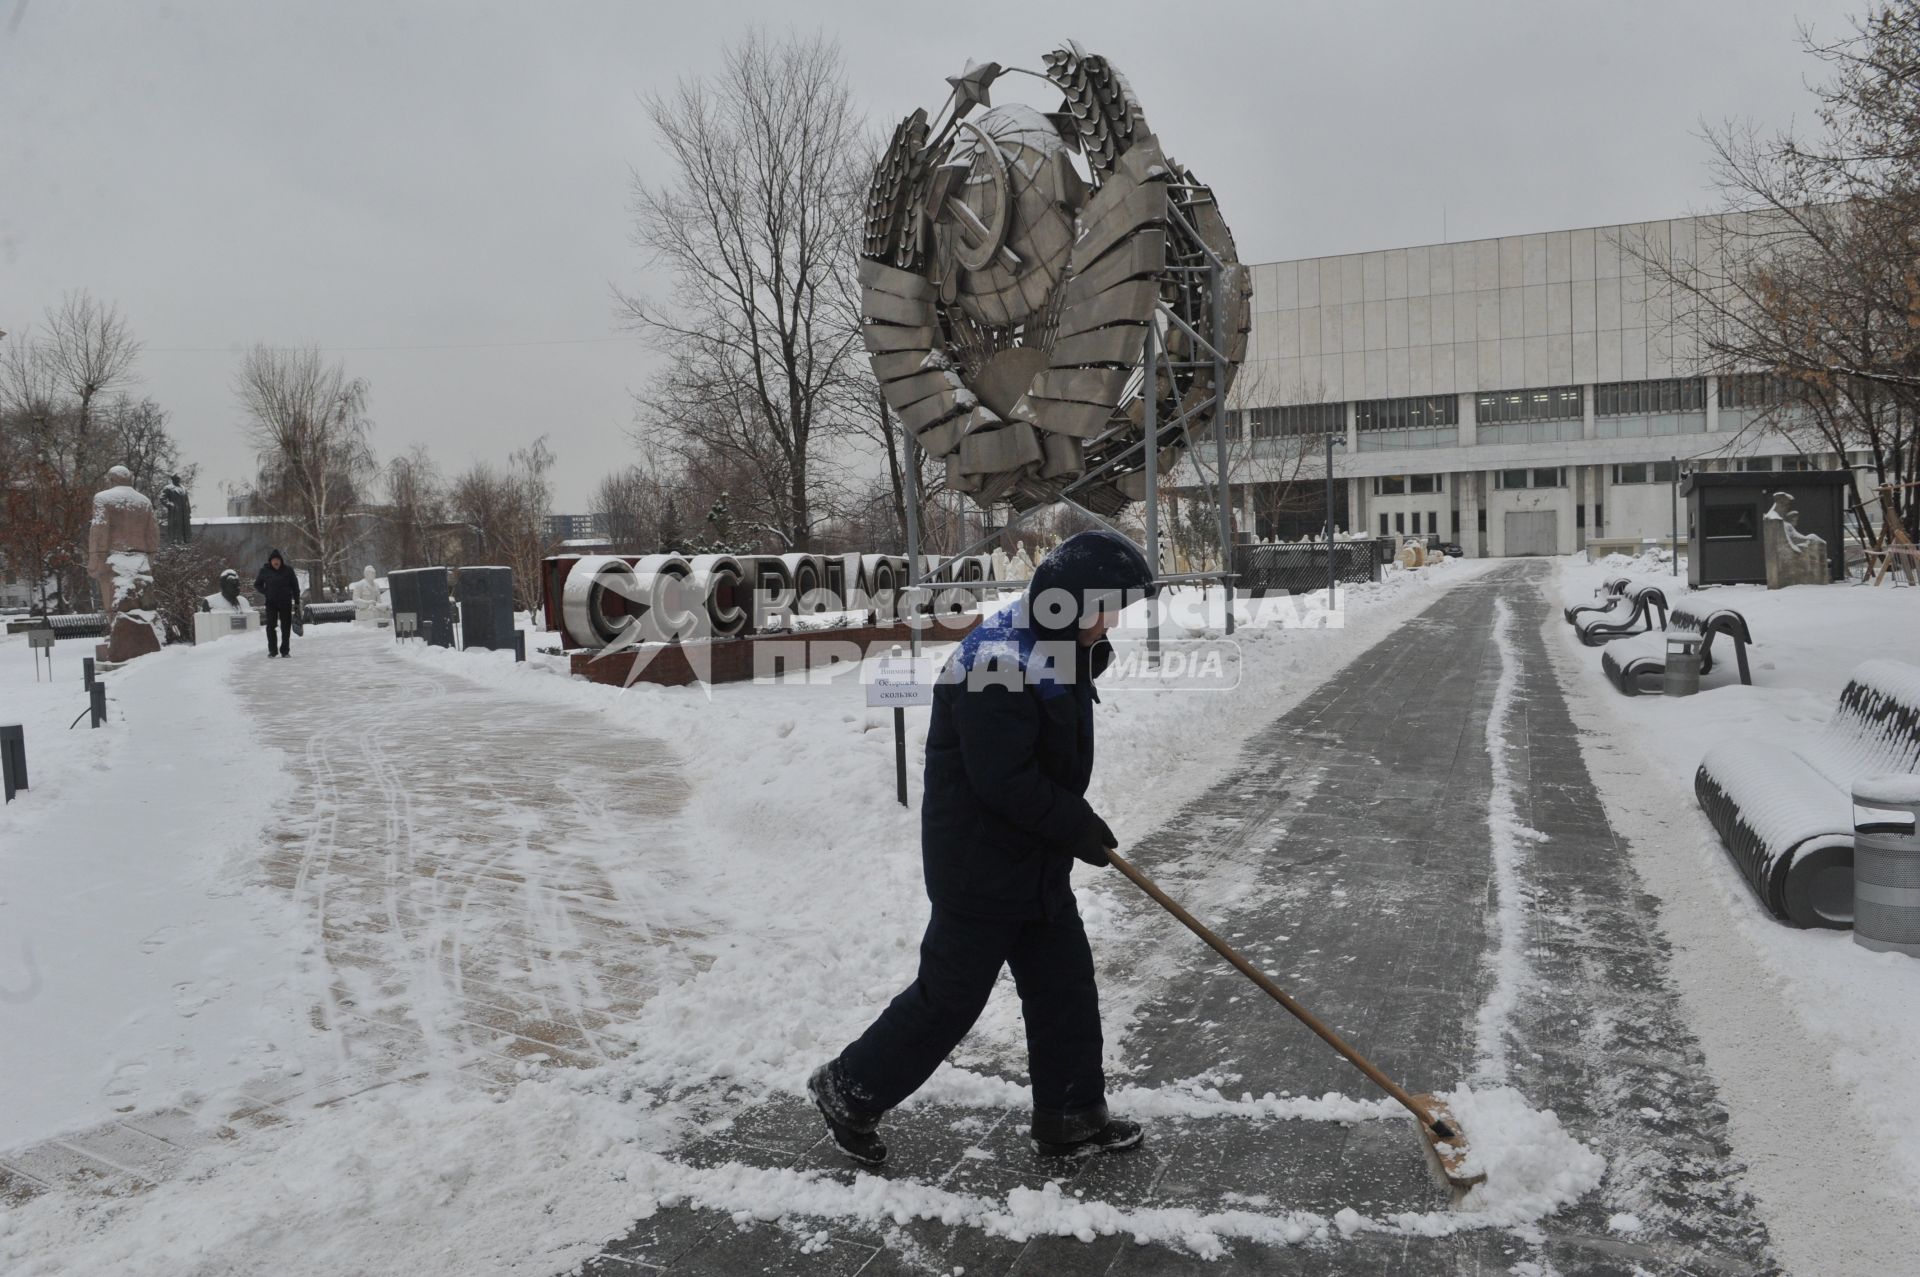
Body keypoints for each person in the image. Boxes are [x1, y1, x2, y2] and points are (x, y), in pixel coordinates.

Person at [809, 529, 1156, 1167]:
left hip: (1033, 862)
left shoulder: (1056, 644)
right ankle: (849, 1088)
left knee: (1064, 989)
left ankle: (1071, 1116)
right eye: (1107, 609)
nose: (1112, 623)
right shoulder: (995, 663)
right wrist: (1076, 825)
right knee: (950, 998)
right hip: (980, 865)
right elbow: (1005, 780)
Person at [254, 548, 301, 657]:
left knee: (286, 627)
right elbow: (257, 584)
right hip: (271, 603)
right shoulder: (264, 571)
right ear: (270, 561)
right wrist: (266, 592)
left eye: (278, 560)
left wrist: (297, 601)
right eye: (274, 560)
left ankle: (285, 651)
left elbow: (295, 586)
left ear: (281, 561)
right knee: (270, 626)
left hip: (285, 602)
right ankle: (273, 651)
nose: (276, 562)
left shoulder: (288, 570)